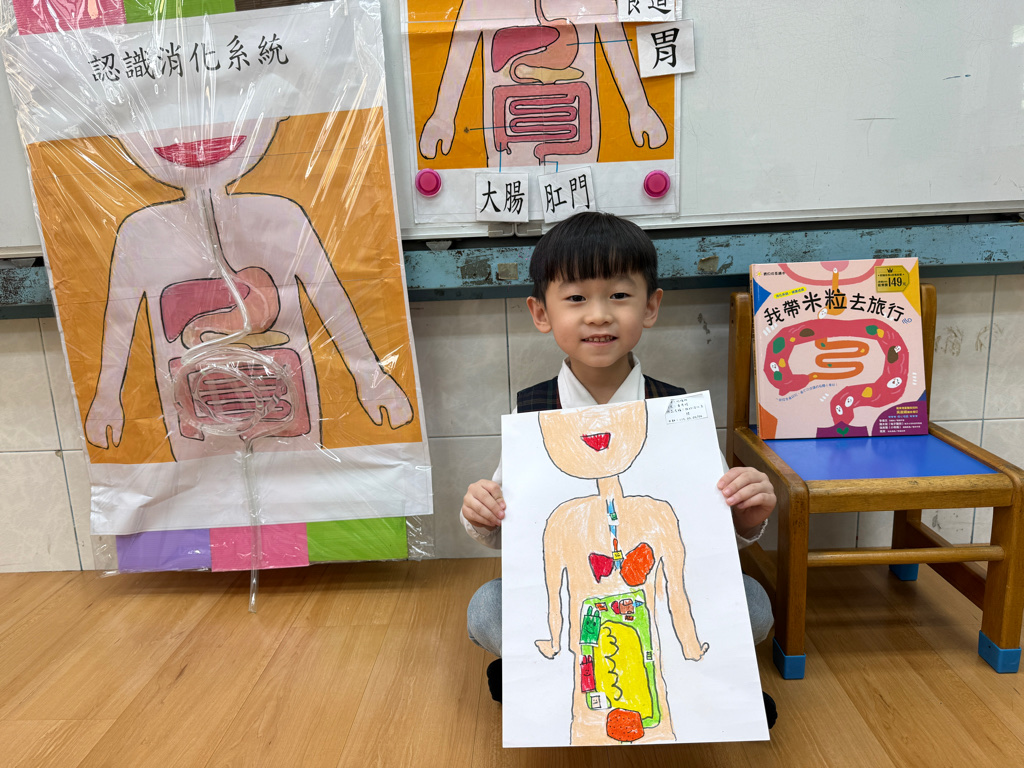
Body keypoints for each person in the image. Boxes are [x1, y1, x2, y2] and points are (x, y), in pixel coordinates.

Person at [460, 211, 778, 730]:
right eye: (576, 298)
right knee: (486, 609)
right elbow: (508, 534)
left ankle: (714, 687)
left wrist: (747, 514)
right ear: (541, 313)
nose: (599, 315)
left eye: (620, 295)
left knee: (755, 605)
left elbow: (712, 535)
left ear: (650, 306)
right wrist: (482, 512)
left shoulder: (677, 413)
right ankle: (540, 677)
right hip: (579, 599)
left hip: (650, 594)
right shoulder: (531, 416)